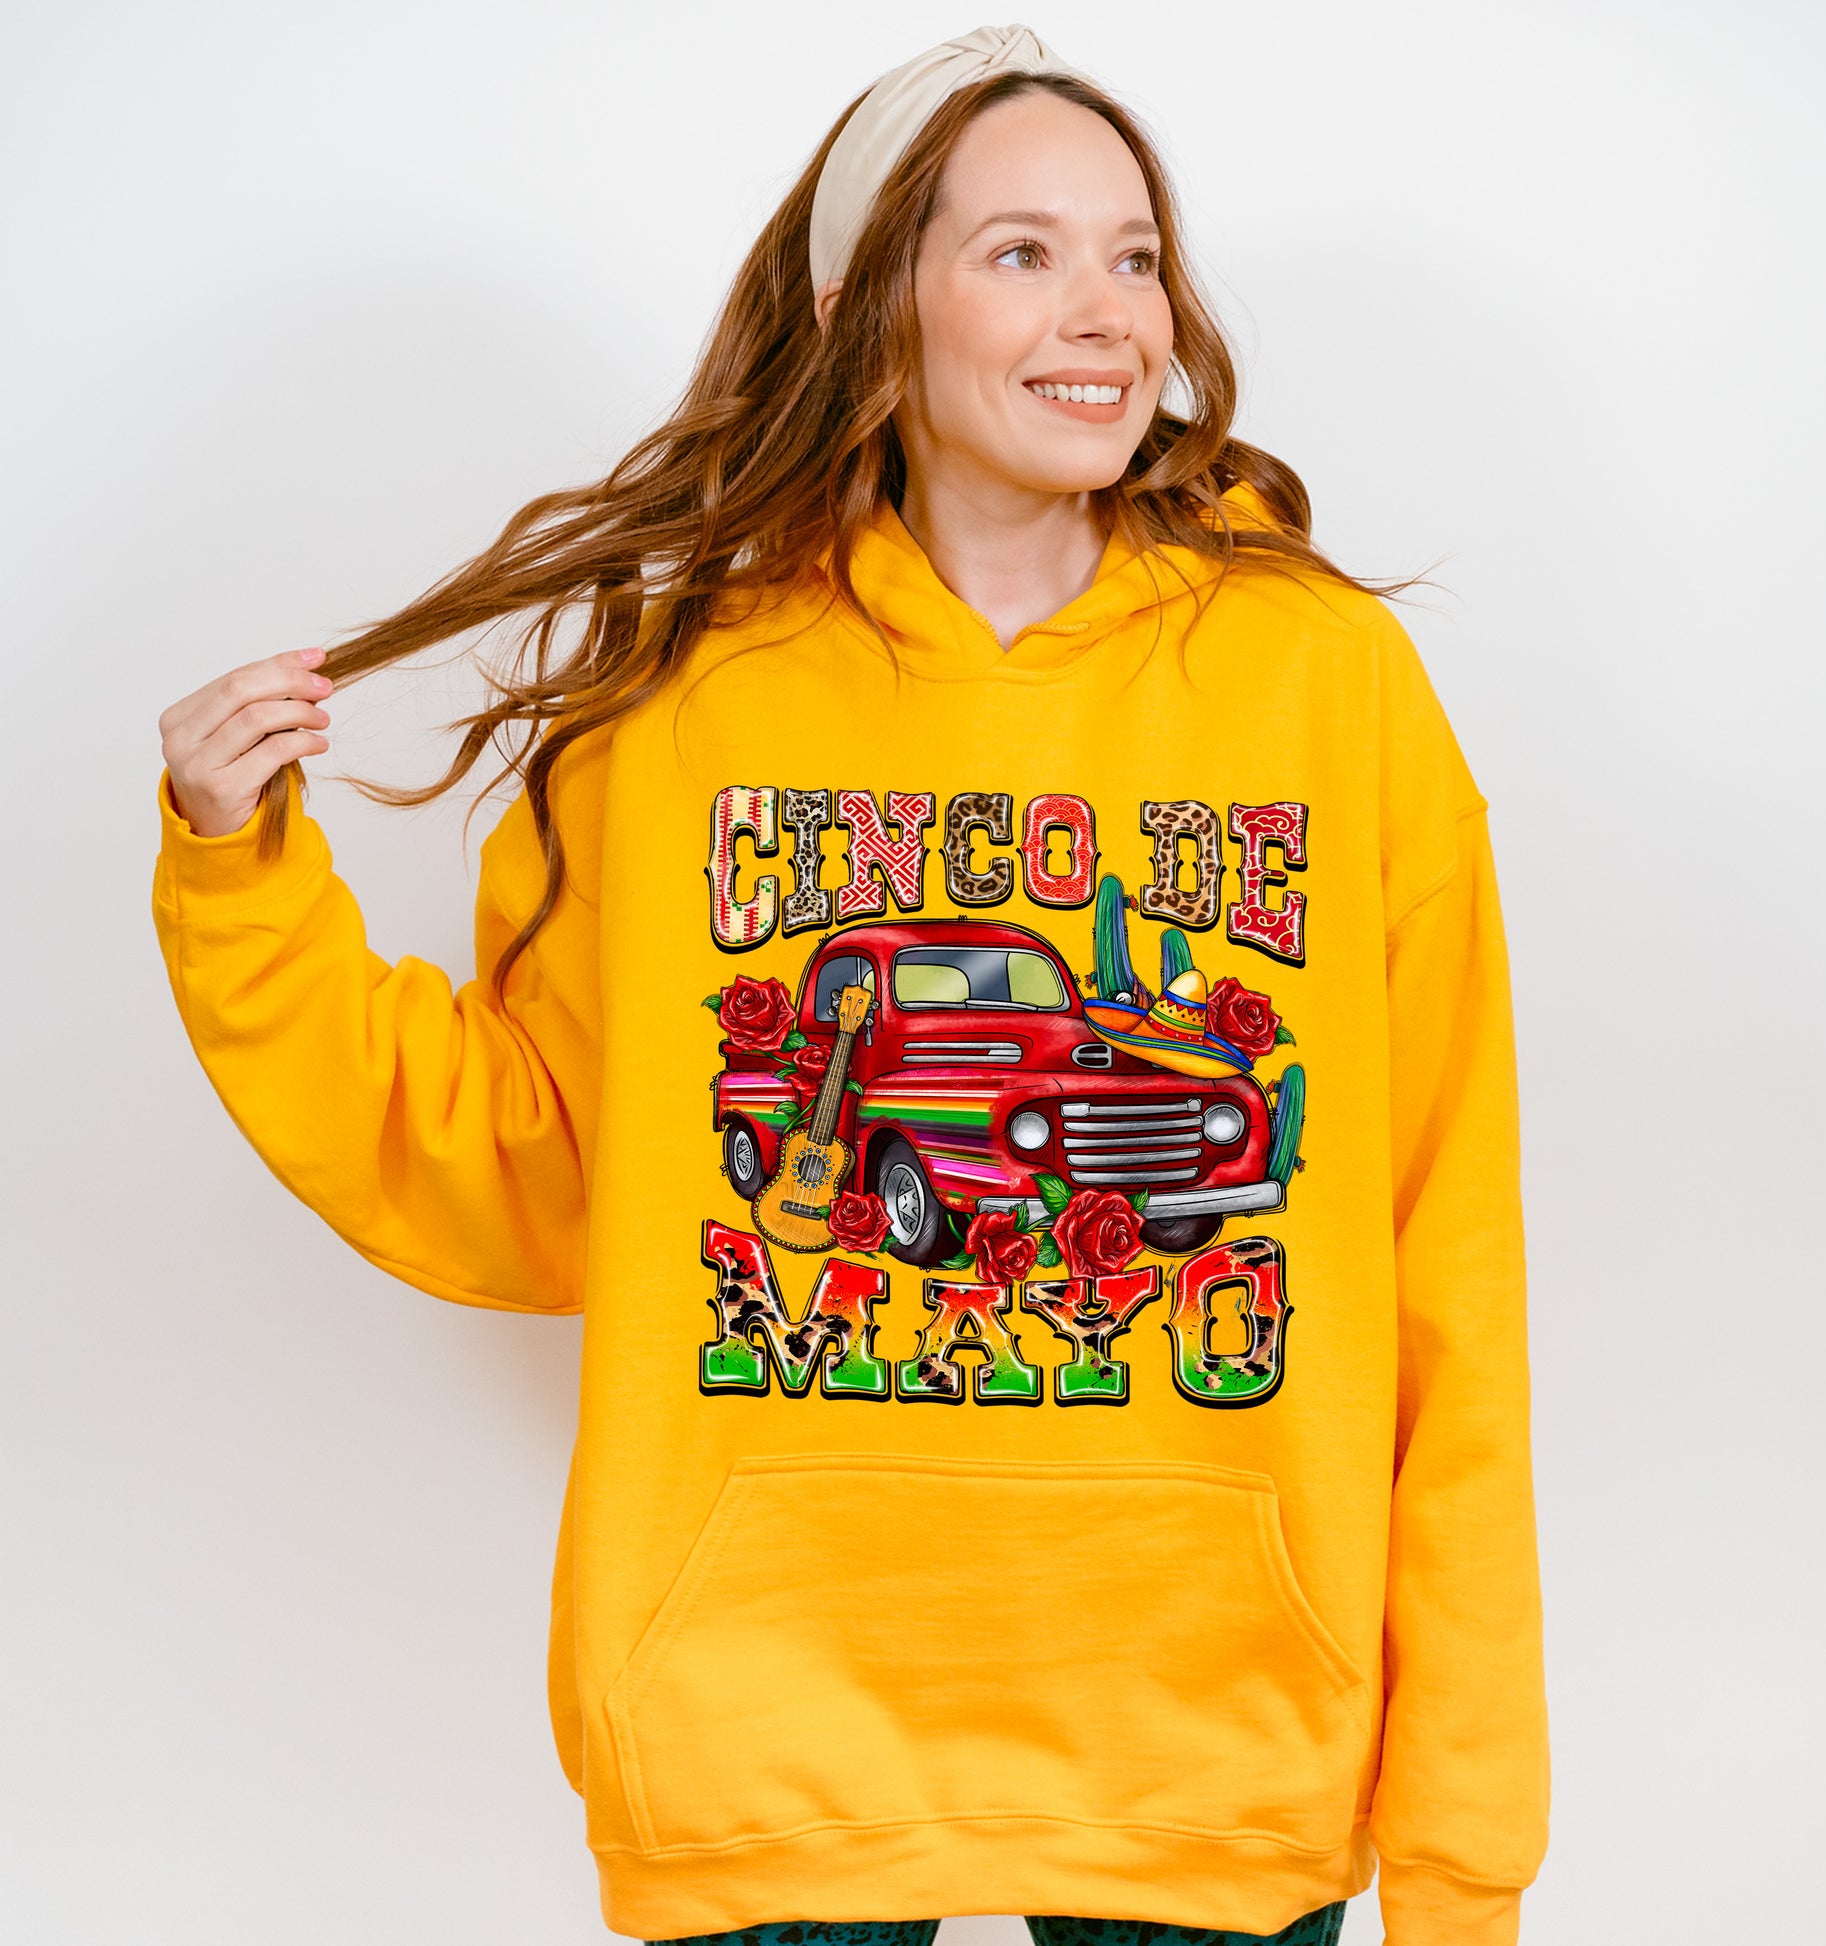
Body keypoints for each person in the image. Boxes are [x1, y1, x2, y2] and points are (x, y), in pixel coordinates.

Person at [153, 24, 1548, 1946]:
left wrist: (1463, 1848)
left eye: (1135, 254)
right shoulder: (683, 687)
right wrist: (241, 877)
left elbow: (1441, 1261)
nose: (1106, 311)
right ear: (865, 311)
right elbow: (530, 1174)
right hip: (762, 1711)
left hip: (1216, 1728)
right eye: (1021, 251)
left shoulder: (1326, 683)